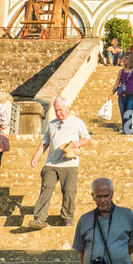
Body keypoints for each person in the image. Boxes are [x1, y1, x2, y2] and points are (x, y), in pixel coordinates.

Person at [27, 97, 92, 229]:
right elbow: (44, 143)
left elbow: (87, 139)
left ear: (67, 108)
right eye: (56, 111)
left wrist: (76, 144)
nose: (58, 113)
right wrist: (36, 157)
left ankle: (67, 218)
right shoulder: (51, 124)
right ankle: (40, 218)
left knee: (69, 191)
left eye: (60, 110)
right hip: (51, 164)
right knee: (47, 187)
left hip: (70, 164)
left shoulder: (77, 122)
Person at [112, 53, 133, 135]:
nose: (124, 60)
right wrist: (112, 93)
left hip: (131, 95)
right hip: (121, 96)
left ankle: (127, 132)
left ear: (131, 60)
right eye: (123, 58)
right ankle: (126, 131)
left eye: (126, 58)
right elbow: (117, 82)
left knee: (128, 114)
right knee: (123, 114)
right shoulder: (121, 71)